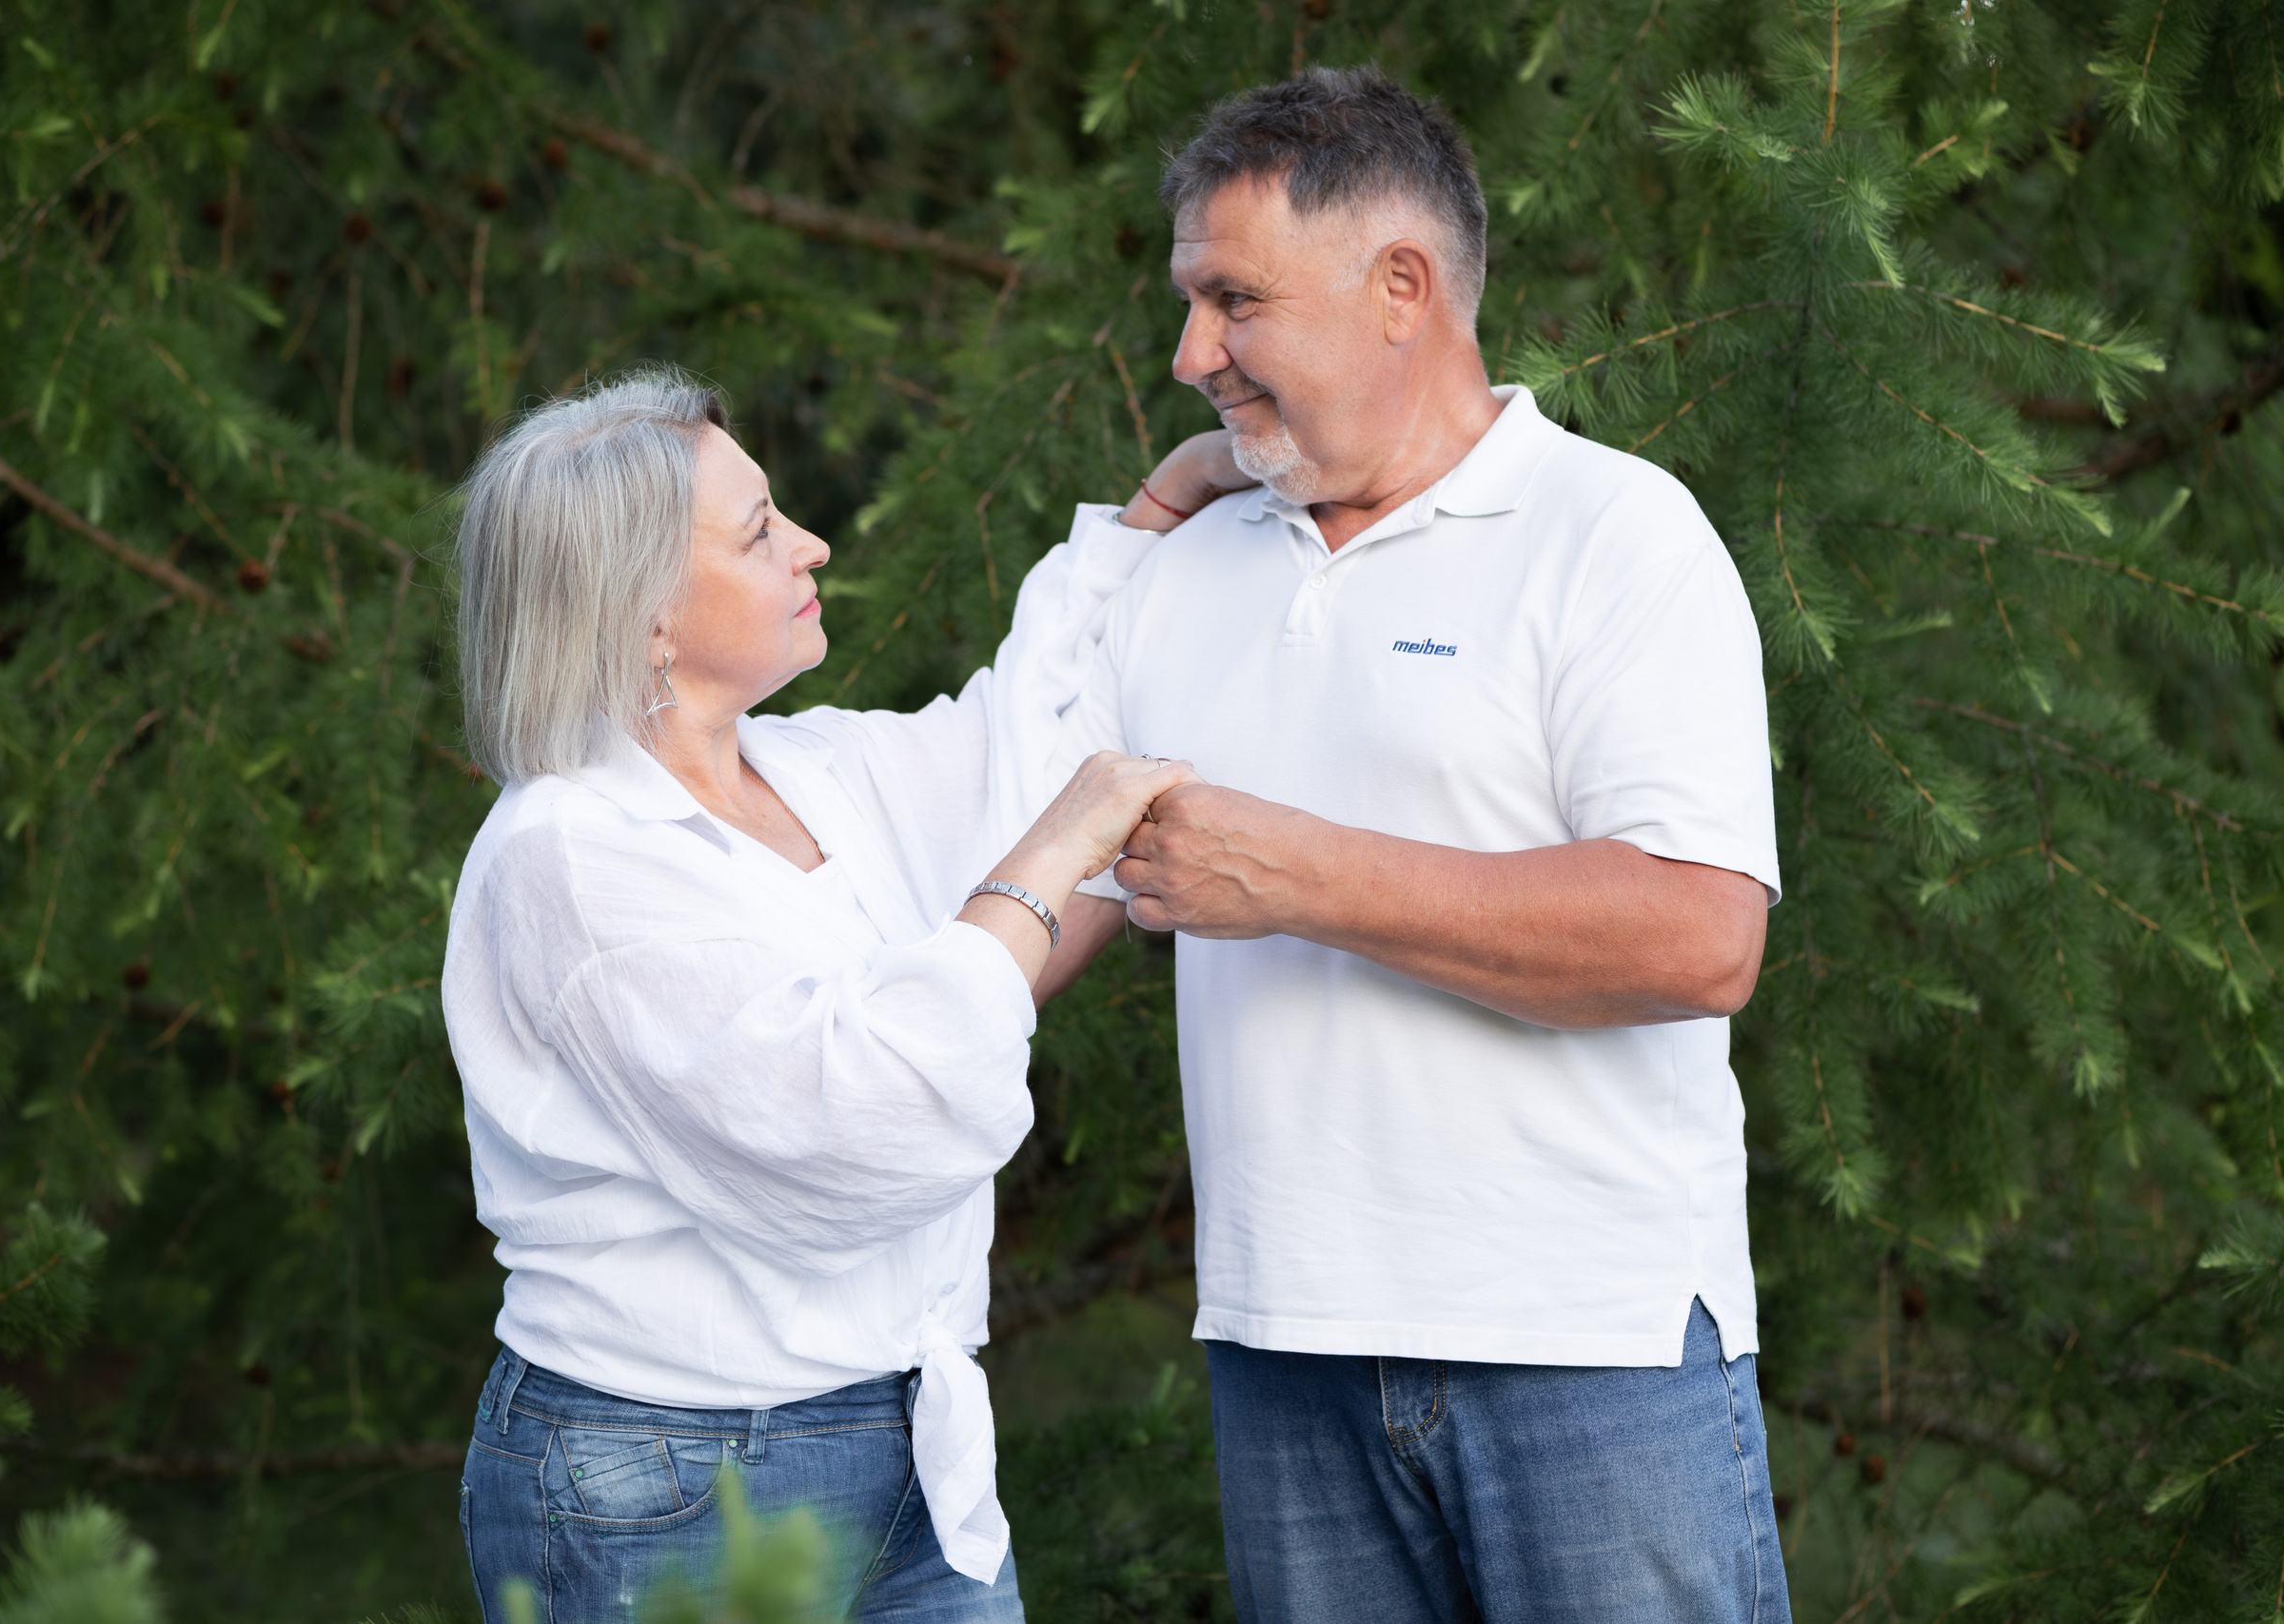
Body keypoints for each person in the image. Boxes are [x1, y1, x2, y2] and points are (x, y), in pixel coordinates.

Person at [1045, 68, 1791, 1623]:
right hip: (1280, 1347)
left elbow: (1700, 936)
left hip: (1590, 1348)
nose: (1190, 356)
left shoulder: (1615, 533)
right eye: (1188, 305)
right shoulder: (1183, 572)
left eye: (1232, 301)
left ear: (1402, 289)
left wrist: (1302, 875)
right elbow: (1028, 895)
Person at [443, 366, 1241, 1624]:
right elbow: (856, 1129)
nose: (812, 543)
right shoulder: (572, 858)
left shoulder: (809, 768)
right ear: (648, 614)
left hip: (907, 1448)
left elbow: (1022, 744)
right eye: (761, 531)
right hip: (670, 1480)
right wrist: (1047, 857)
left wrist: (1165, 501)